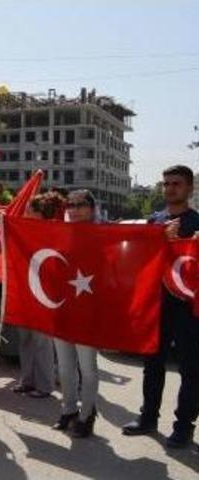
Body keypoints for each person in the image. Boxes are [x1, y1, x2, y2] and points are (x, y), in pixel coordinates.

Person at [123, 165, 199, 449]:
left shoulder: (197, 223)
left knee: (190, 368)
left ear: (189, 188)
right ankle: (148, 418)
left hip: (188, 309)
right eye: (165, 183)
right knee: (152, 365)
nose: (169, 189)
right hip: (157, 305)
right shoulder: (154, 222)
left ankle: (183, 426)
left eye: (176, 184)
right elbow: (138, 259)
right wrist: (159, 239)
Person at [52, 189, 100, 438]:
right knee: (64, 366)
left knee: (87, 367)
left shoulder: (104, 235)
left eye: (81, 204)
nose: (74, 208)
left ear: (92, 208)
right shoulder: (61, 234)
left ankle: (87, 413)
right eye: (70, 204)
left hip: (89, 312)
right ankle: (68, 409)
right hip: (62, 309)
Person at [12, 191, 62, 399]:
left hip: (44, 293)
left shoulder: (53, 232)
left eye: (30, 208)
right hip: (25, 290)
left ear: (41, 213)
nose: (26, 211)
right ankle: (27, 380)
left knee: (42, 340)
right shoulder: (22, 230)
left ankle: (44, 386)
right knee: (25, 338)